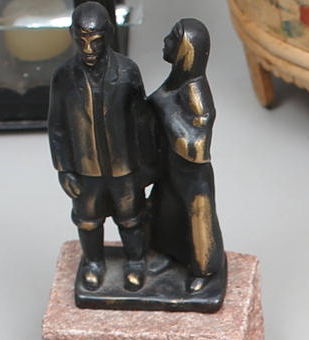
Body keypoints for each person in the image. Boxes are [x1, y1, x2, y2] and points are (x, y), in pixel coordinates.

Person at [47, 2, 157, 293]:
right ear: (71, 34)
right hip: (85, 169)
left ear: (108, 35)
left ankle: (136, 261)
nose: (88, 49)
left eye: (95, 41)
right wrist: (64, 169)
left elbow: (142, 121)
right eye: (81, 40)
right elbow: (57, 126)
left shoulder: (127, 71)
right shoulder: (63, 77)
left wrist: (149, 166)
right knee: (87, 220)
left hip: (124, 167)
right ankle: (93, 262)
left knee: (131, 218)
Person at [148, 19, 226, 297]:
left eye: (173, 38)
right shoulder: (175, 81)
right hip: (169, 167)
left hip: (192, 176)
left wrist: (165, 112)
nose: (165, 42)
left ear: (186, 51)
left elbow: (198, 145)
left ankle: (204, 273)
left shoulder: (195, 90)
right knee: (165, 213)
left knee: (198, 222)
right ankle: (168, 255)